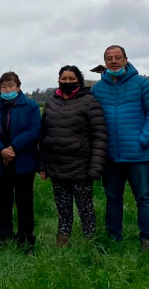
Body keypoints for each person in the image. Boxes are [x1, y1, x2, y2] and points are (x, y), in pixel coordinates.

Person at [90, 45, 149, 253]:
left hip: (137, 156)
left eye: (117, 57)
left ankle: (148, 240)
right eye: (109, 58)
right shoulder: (97, 89)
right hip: (110, 156)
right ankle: (113, 238)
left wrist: (144, 139)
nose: (113, 61)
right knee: (113, 199)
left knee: (144, 199)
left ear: (126, 59)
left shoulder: (142, 84)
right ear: (105, 62)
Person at [39, 65, 106, 247]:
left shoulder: (89, 102)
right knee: (63, 209)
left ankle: (91, 242)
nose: (67, 81)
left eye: (71, 78)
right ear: (59, 80)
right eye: (64, 78)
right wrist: (42, 165)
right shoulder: (51, 103)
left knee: (85, 209)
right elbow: (43, 136)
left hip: (81, 168)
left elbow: (99, 136)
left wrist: (95, 167)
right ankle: (62, 243)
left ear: (78, 80)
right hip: (56, 166)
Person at [0, 71, 42, 252]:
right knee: (2, 202)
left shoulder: (30, 106)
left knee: (24, 202)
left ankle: (25, 238)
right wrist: (1, 150)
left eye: (11, 86)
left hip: (23, 161)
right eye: (4, 87)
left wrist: (13, 148)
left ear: (19, 87)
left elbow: (35, 130)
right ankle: (4, 237)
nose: (7, 90)